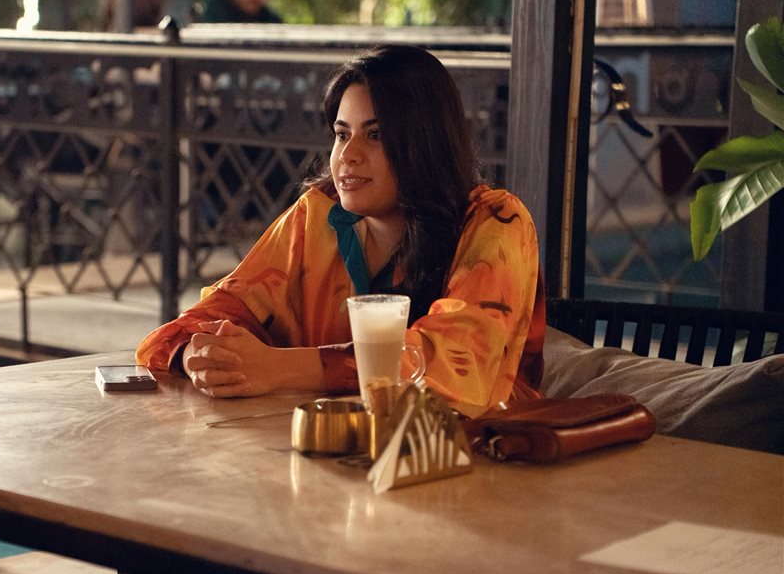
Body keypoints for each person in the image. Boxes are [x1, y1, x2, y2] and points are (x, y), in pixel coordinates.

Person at [136, 45, 545, 419]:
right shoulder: (316, 217)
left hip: (480, 455)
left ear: (426, 142)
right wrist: (200, 356)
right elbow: (197, 322)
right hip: (325, 448)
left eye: (375, 135)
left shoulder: (497, 221)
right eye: (342, 134)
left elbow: (457, 364)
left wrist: (279, 368)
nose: (348, 155)